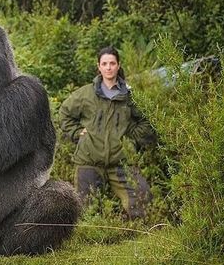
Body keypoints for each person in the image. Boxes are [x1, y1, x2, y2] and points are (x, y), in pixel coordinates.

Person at [59, 46, 155, 219]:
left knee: (143, 200)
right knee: (86, 211)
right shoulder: (85, 94)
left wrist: (131, 142)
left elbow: (147, 120)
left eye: (112, 63)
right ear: (99, 67)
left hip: (121, 160)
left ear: (118, 66)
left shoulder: (129, 95)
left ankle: (129, 231)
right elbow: (64, 113)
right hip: (89, 159)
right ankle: (94, 238)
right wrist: (77, 133)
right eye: (105, 63)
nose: (109, 67)